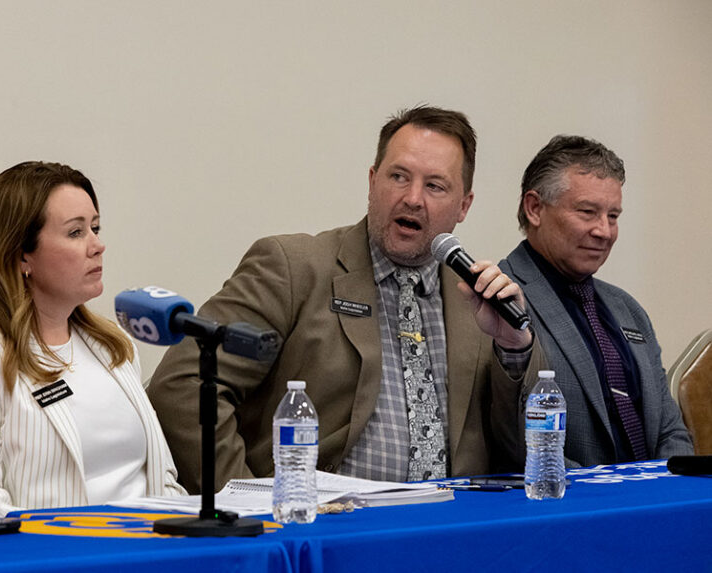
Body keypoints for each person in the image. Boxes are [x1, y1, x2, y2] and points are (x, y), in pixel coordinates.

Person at [149, 106, 547, 493]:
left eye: (434, 186)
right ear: (372, 181)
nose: (412, 198)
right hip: (325, 535)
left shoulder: (476, 300)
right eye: (398, 176)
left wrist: (513, 349)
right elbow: (184, 387)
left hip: (446, 538)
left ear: (464, 205)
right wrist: (253, 503)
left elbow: (524, 453)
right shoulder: (294, 268)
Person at [0, 161, 185, 517]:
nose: (98, 245)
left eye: (95, 227)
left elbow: (163, 480)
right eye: (76, 233)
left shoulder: (112, 345)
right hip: (55, 554)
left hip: (149, 549)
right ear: (21, 254)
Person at [499, 135, 693, 467]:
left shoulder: (626, 308)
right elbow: (513, 443)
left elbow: (669, 428)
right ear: (534, 208)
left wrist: (671, 489)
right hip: (572, 507)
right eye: (588, 212)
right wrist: (610, 499)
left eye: (613, 216)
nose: (604, 231)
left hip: (654, 503)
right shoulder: (500, 300)